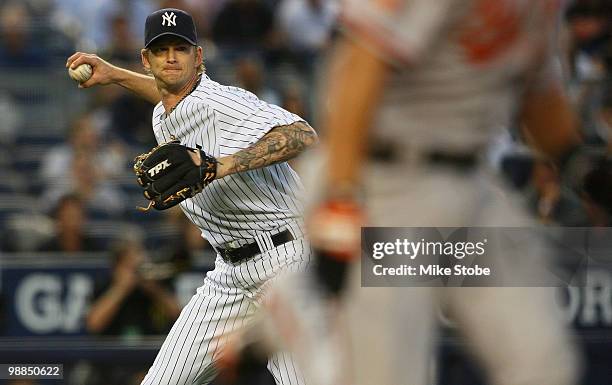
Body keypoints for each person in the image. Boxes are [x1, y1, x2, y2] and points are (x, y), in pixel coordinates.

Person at [227, 1, 589, 385]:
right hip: (385, 182)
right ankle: (300, 305)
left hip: (473, 187)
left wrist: (580, 164)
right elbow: (356, 67)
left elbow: (538, 97)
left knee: (544, 365)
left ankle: (299, 300)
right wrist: (341, 201)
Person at [67, 7, 316, 385]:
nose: (171, 58)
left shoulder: (224, 105)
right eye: (161, 49)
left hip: (285, 261)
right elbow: (166, 90)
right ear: (146, 59)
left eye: (180, 49)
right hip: (230, 275)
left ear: (198, 57)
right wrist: (114, 75)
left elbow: (303, 135)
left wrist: (220, 165)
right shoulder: (164, 112)